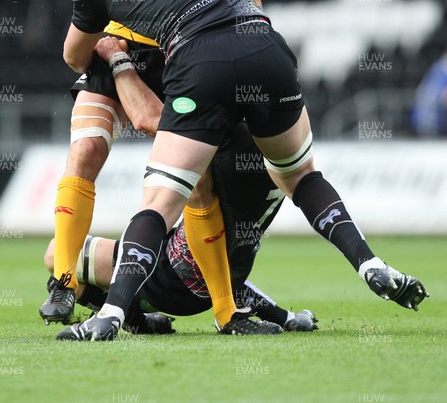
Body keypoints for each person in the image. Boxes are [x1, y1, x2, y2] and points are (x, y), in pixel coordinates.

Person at [61, 0, 428, 341]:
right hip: (264, 46)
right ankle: (368, 262)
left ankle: (112, 313)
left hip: (201, 65)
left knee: (159, 203)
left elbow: (75, 57)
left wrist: (101, 16)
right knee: (301, 177)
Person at [40, 0, 338, 334]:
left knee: (194, 179)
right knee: (87, 149)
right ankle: (64, 283)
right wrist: (104, 39)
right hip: (115, 38)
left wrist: (254, 59)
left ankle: (225, 309)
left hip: (181, 50)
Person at [50, 121, 320, 339]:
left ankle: (121, 312)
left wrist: (120, 64)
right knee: (60, 257)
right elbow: (233, 276)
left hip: (167, 277)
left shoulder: (221, 178)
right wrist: (285, 317)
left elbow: (146, 119)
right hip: (192, 285)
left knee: (57, 257)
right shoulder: (264, 189)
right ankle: (135, 317)